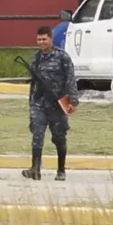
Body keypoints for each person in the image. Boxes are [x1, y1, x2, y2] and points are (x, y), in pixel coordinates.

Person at [23, 25, 79, 182]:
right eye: (39, 39)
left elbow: (70, 79)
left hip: (57, 104)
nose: (41, 42)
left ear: (51, 39)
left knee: (59, 137)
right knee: (37, 135)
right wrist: (30, 104)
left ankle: (61, 170)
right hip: (39, 103)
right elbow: (33, 83)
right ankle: (35, 169)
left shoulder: (62, 57)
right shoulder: (36, 58)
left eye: (44, 39)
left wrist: (73, 101)